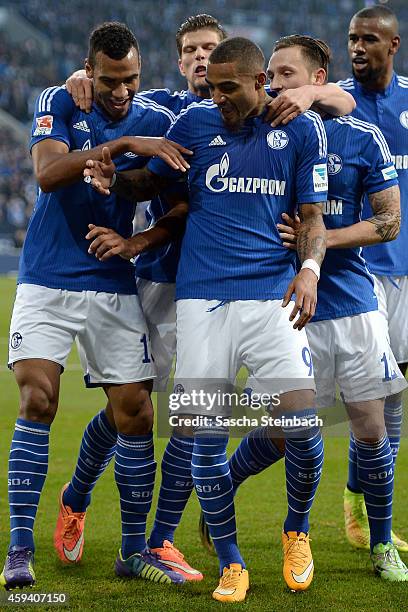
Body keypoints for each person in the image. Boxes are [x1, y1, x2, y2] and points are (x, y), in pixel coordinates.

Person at [59, 14, 355, 582]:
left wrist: (311, 268)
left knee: (298, 427)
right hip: (180, 290)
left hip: (269, 300)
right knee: (147, 414)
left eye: (221, 72)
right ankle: (210, 554)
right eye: (196, 58)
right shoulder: (184, 116)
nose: (211, 83)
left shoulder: (294, 124)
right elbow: (147, 174)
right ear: (182, 62)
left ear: (259, 76)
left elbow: (317, 202)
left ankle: (280, 532)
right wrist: (91, 103)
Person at [0, 21, 193, 591]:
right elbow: (47, 172)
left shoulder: (159, 118)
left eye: (131, 79)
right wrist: (123, 144)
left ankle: (134, 551)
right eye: (111, 81)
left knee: (136, 412)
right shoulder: (60, 99)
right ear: (91, 70)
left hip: (113, 277)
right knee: (38, 396)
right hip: (48, 276)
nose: (122, 92)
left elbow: (178, 204)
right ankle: (17, 549)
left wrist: (134, 234)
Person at [213, 33, 408, 583]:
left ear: (318, 80)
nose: (274, 85)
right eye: (270, 76)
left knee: (372, 429)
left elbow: (388, 222)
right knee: (286, 433)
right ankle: (225, 483)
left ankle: (379, 544)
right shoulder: (259, 135)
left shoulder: (362, 138)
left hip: (351, 303)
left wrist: (320, 241)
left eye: (286, 75)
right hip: (288, 307)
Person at [337, 4, 408, 553]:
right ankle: (357, 508)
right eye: (352, 39)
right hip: (356, 274)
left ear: (393, 45)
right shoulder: (332, 103)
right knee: (370, 401)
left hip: (404, 271)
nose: (358, 48)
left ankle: (360, 501)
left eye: (368, 39)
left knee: (395, 397)